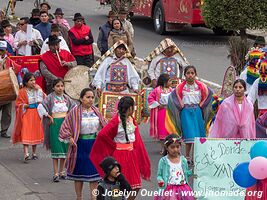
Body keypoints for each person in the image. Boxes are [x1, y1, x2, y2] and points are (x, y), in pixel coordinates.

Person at [90, 96, 151, 200]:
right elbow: (102, 135)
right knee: (117, 186)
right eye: (133, 107)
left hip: (131, 155)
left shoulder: (131, 119)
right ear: (130, 108)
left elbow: (136, 139)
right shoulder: (115, 121)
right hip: (119, 156)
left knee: (136, 186)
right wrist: (113, 146)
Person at [59, 88, 107, 200]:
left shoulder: (96, 111)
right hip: (80, 145)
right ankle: (79, 197)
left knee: (94, 175)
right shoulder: (74, 112)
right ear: (81, 98)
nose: (90, 100)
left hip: (94, 146)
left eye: (92, 97)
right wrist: (70, 137)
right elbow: (64, 127)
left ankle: (93, 198)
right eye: (88, 97)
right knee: (79, 175)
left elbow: (105, 125)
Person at [165, 66, 213, 165]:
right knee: (188, 135)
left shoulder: (201, 86)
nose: (190, 75)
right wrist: (181, 106)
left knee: (197, 136)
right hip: (186, 113)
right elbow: (172, 97)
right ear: (185, 75)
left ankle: (195, 156)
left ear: (195, 75)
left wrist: (201, 105)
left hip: (197, 112)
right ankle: (187, 156)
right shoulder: (180, 87)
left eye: (192, 73)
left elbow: (210, 94)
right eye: (188, 73)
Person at [37, 79, 76, 182]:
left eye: (62, 86)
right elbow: (40, 107)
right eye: (57, 86)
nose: (60, 88)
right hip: (55, 125)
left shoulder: (67, 98)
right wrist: (48, 116)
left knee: (64, 148)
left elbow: (74, 108)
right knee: (56, 149)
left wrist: (69, 117)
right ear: (53, 87)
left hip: (65, 125)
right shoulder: (50, 98)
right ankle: (55, 173)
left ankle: (62, 171)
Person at [12, 73, 45, 162]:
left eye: (34, 80)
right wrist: (23, 105)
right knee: (26, 132)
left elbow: (43, 99)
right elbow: (17, 104)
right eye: (31, 80)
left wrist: (39, 90)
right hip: (26, 113)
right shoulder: (22, 91)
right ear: (26, 82)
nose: (33, 82)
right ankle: (26, 153)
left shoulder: (38, 89)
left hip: (36, 113)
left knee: (35, 132)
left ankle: (34, 153)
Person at [154, 134, 194, 200]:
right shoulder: (163, 161)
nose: (175, 149)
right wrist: (160, 180)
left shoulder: (183, 160)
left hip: (183, 188)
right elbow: (159, 175)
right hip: (169, 189)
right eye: (172, 147)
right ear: (166, 147)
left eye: (177, 147)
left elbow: (186, 173)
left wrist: (193, 171)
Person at [0, 40, 21, 138]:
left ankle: (4, 131)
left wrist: (19, 82)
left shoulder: (9, 61)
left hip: (8, 90)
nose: (1, 52)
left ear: (5, 51)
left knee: (7, 113)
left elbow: (17, 71)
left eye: (2, 50)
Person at [148, 74, 172, 153]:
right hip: (161, 112)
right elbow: (150, 98)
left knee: (169, 130)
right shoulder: (157, 90)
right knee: (162, 131)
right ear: (165, 82)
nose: (171, 82)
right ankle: (163, 148)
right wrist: (158, 104)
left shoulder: (171, 90)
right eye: (169, 81)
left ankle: (169, 147)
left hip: (169, 112)